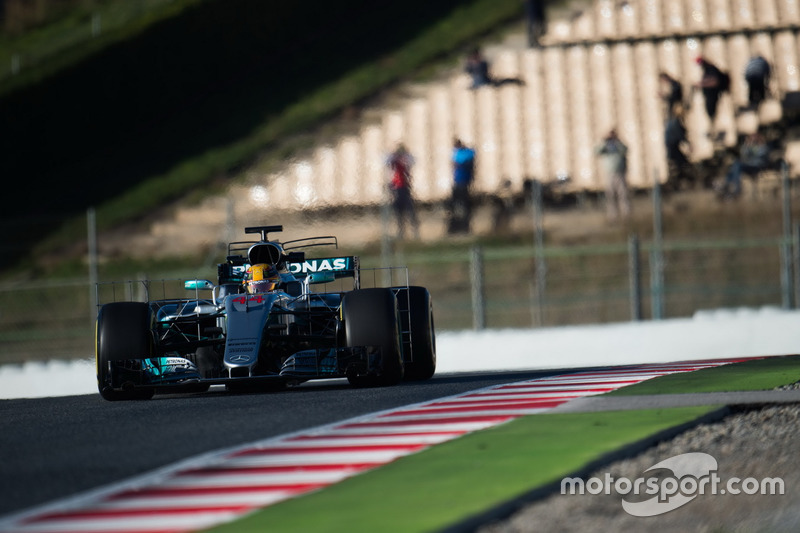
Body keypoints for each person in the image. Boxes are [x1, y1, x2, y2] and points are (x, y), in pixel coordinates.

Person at [718, 132, 770, 199]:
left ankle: (733, 188)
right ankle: (729, 187)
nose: (752, 139)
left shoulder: (763, 146)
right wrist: (747, 144)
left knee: (737, 165)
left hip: (758, 167)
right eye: (750, 137)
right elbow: (743, 155)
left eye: (754, 137)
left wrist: (752, 148)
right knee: (735, 167)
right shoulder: (748, 146)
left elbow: (758, 155)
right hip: (749, 166)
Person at [385, 143, 419, 239]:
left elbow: (412, 161)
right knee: (398, 211)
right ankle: (401, 231)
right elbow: (386, 160)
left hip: (404, 186)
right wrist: (394, 154)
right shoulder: (394, 160)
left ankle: (415, 230)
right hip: (396, 187)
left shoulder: (405, 160)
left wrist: (404, 155)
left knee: (410, 209)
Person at [595, 129, 630, 220]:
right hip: (609, 173)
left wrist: (617, 141)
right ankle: (612, 216)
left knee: (623, 194)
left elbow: (625, 150)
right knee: (610, 195)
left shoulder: (619, 144)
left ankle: (626, 215)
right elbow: (596, 152)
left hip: (620, 173)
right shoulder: (605, 146)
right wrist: (604, 141)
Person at [694, 56, 727, 137]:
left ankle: (714, 131)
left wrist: (702, 84)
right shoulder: (707, 70)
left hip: (712, 96)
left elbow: (715, 82)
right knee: (710, 114)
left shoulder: (711, 69)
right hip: (709, 96)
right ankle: (713, 129)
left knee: (712, 113)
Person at [449, 138, 476, 233]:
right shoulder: (465, 153)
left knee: (463, 206)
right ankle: (460, 226)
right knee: (459, 206)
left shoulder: (462, 154)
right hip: (460, 183)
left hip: (462, 183)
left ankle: (464, 226)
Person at [664, 106, 693, 188]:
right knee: (682, 162)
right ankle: (681, 179)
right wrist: (688, 144)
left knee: (681, 162)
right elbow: (681, 136)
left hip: (671, 148)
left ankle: (681, 177)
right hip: (673, 148)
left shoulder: (671, 122)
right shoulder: (675, 123)